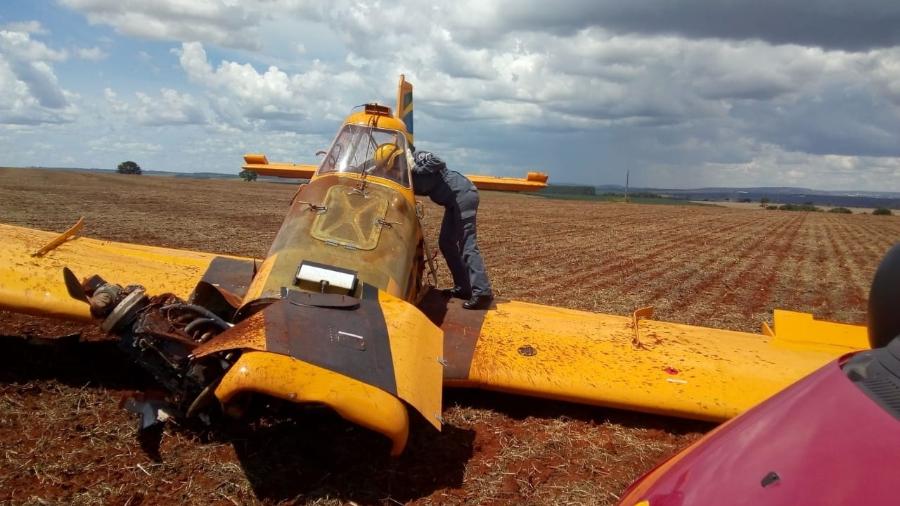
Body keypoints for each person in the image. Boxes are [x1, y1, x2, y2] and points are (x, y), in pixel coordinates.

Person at [411, 150, 493, 310]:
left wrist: (415, 169)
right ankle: (463, 288)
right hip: (452, 202)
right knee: (446, 243)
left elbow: (438, 161)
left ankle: (483, 292)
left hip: (463, 195)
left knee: (467, 244)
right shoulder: (399, 173)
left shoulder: (416, 157)